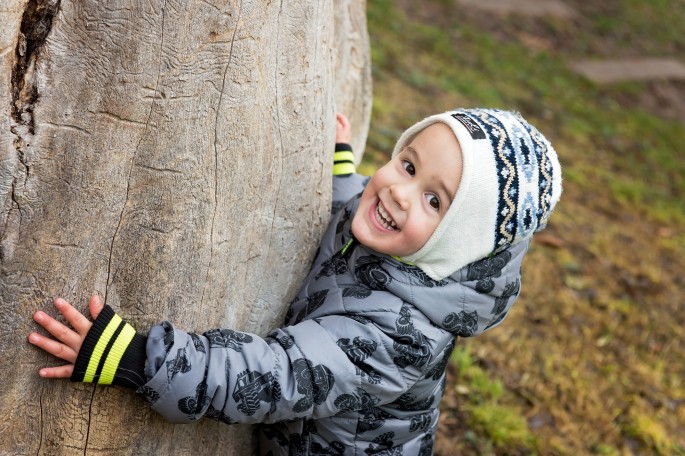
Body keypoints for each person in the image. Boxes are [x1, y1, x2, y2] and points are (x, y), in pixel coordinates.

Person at [29, 109, 562, 454]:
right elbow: (348, 206)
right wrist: (336, 167)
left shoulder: (399, 339)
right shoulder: (397, 236)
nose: (399, 191)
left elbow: (273, 375)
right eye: (407, 164)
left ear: (459, 246)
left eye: (434, 199)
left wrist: (138, 358)